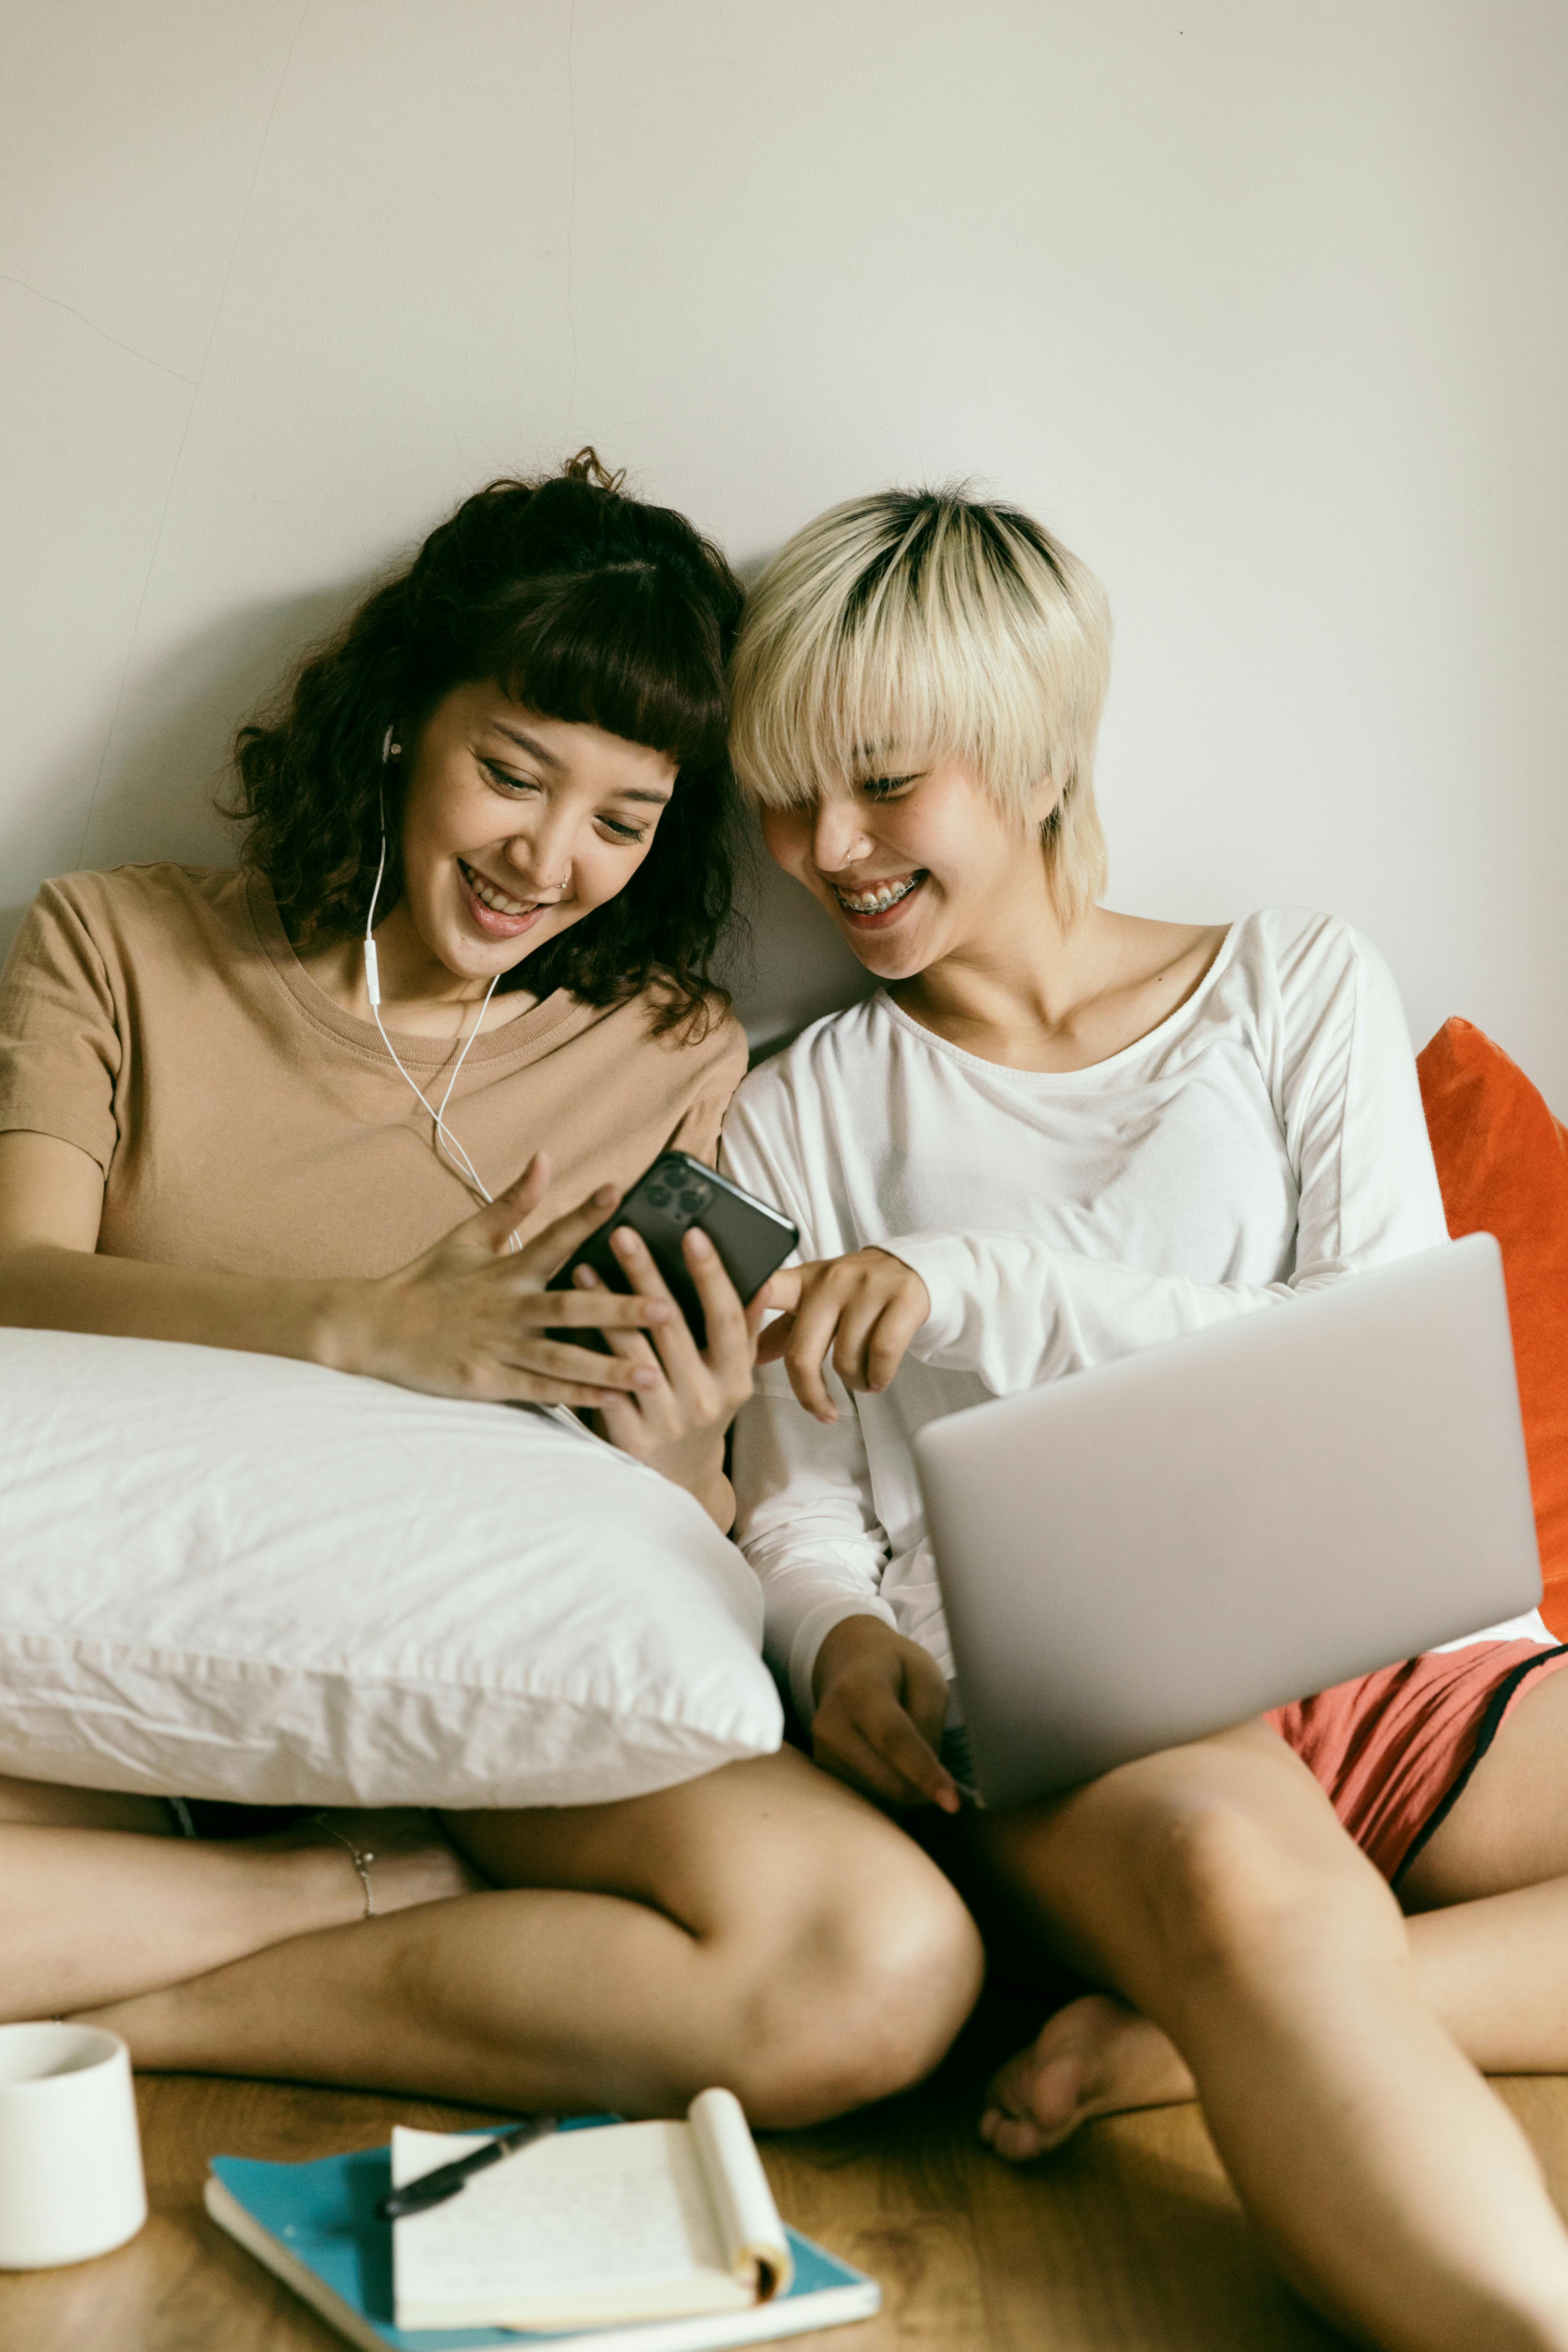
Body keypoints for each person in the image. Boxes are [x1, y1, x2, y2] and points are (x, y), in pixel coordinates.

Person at [0, 453, 981, 2125]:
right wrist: (367, 1328)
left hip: (477, 1687)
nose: (550, 857)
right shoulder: (118, 945)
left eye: (624, 816)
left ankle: (134, 2012)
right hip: (106, 1675)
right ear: (403, 723)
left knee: (876, 1959)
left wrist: (681, 1442)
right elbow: (20, 1288)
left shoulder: (661, 1050)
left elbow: (673, 1497)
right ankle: (334, 1889)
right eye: (511, 775)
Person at [722, 482, 1568, 2348]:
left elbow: (1371, 1349)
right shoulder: (800, 1111)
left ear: (1031, 760)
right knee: (1239, 1897)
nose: (824, 847)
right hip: (1092, 1712)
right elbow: (797, 1515)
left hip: (1396, 1640)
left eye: (880, 781)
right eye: (784, 793)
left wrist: (982, 1287)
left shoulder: (1290, 983)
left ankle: (1186, 2042)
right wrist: (840, 1638)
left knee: (1305, 1964)